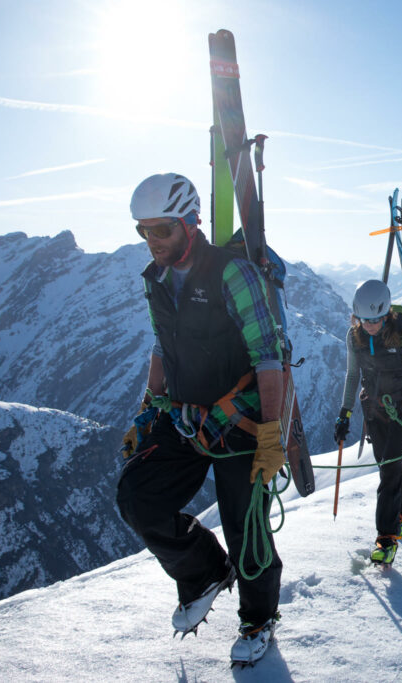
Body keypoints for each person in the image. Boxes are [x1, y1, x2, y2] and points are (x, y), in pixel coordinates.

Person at [115, 173, 286, 667]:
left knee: (245, 524)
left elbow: (268, 358)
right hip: (186, 416)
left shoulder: (234, 274)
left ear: (190, 223)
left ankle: (258, 619)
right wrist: (148, 410)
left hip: (239, 420)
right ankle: (205, 572)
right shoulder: (157, 280)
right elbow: (162, 350)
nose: (152, 242)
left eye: (161, 230)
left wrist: (271, 434)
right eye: (143, 231)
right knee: (137, 497)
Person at [334, 280, 402, 565]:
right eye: (365, 320)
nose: (370, 326)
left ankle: (386, 538)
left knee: (389, 471)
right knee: (387, 464)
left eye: (376, 320)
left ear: (387, 314)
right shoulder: (353, 337)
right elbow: (352, 376)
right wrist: (345, 413)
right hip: (374, 411)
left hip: (401, 410)